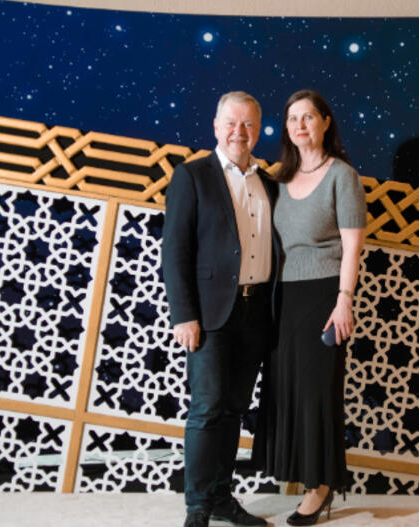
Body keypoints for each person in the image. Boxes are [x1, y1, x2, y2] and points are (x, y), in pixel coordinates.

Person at [162, 91, 277, 527]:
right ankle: (197, 506)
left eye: (247, 124)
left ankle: (223, 499)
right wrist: (183, 315)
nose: (238, 132)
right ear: (216, 126)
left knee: (233, 410)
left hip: (255, 315)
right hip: (209, 317)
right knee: (207, 409)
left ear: (258, 130)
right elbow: (175, 250)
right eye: (231, 122)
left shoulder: (269, 184)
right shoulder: (192, 176)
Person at [252, 89, 366, 526]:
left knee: (318, 393)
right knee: (287, 391)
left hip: (325, 295)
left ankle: (320, 487)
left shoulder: (343, 176)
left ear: (325, 122)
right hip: (283, 297)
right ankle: (301, 478)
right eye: (292, 118)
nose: (299, 125)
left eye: (308, 117)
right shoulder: (278, 179)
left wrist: (344, 301)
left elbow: (353, 248)